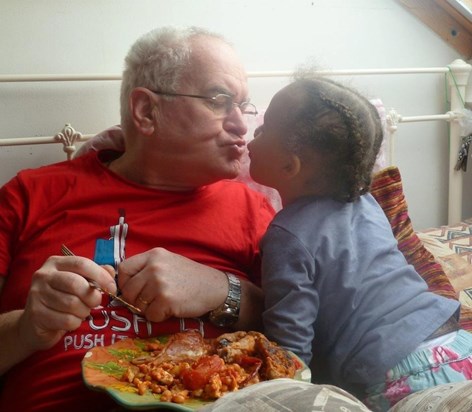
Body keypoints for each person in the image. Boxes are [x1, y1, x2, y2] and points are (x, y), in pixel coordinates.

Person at [0, 26, 275, 411]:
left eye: (243, 106)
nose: (242, 126)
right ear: (147, 111)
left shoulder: (255, 210)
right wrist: (26, 329)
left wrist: (221, 290)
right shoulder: (30, 195)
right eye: (218, 101)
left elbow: (302, 333)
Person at [247, 74, 472, 412]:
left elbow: (290, 347)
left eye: (263, 129)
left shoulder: (286, 235)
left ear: (288, 165)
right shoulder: (367, 202)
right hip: (456, 342)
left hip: (399, 373)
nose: (252, 135)